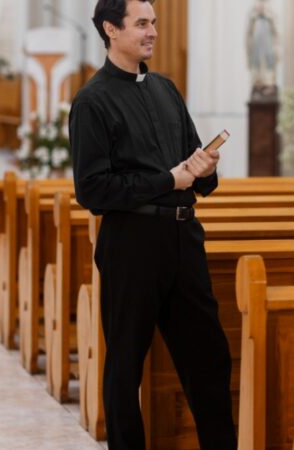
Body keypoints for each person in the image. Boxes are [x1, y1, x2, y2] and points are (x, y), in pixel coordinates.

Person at [69, 1, 236, 449]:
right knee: (125, 366)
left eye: (154, 23)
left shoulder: (166, 89)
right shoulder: (92, 101)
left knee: (210, 359)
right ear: (110, 29)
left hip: (183, 237)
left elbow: (196, 166)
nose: (152, 32)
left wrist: (204, 167)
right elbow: (92, 190)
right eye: (141, 23)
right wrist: (168, 179)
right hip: (132, 244)